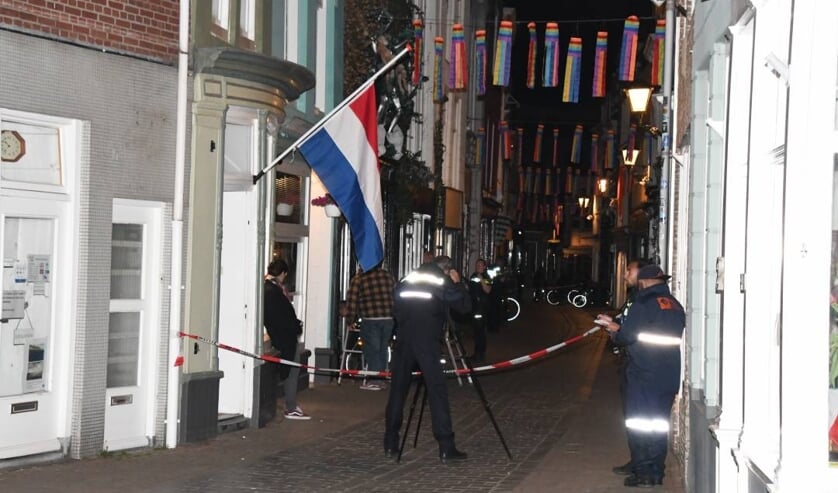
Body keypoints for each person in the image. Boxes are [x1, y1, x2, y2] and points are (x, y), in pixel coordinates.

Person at [596, 264, 685, 488]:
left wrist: (613, 329)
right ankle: (653, 469)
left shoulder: (643, 303)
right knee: (658, 425)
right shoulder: (674, 305)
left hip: (644, 372)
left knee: (641, 425)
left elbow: (627, 336)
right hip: (668, 372)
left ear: (643, 283)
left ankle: (646, 473)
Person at [384, 255, 472, 463]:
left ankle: (390, 443)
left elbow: (395, 306)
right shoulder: (440, 281)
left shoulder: (408, 279)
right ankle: (446, 446)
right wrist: (458, 283)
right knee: (437, 392)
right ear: (447, 269)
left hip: (404, 341)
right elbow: (465, 306)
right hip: (427, 343)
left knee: (397, 392)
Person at [263, 259, 310, 420]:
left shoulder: (268, 288)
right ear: (283, 273)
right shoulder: (273, 291)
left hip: (281, 335)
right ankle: (290, 406)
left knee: (290, 369)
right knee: (292, 370)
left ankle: (291, 405)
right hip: (285, 337)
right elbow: (283, 315)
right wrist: (295, 327)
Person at [344, 263, 397, 391]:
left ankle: (375, 380)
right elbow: (396, 295)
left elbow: (352, 301)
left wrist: (350, 320)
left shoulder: (359, 279)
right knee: (382, 348)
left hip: (370, 319)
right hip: (389, 318)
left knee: (372, 350)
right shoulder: (388, 276)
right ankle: (382, 376)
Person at [467, 258, 492, 363]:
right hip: (474, 307)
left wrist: (481, 279)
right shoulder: (473, 276)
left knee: (480, 331)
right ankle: (477, 352)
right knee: (476, 331)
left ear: (484, 267)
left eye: (480, 265)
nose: (478, 267)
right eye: (477, 265)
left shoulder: (486, 277)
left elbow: (487, 290)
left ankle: (480, 354)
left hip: (482, 308)